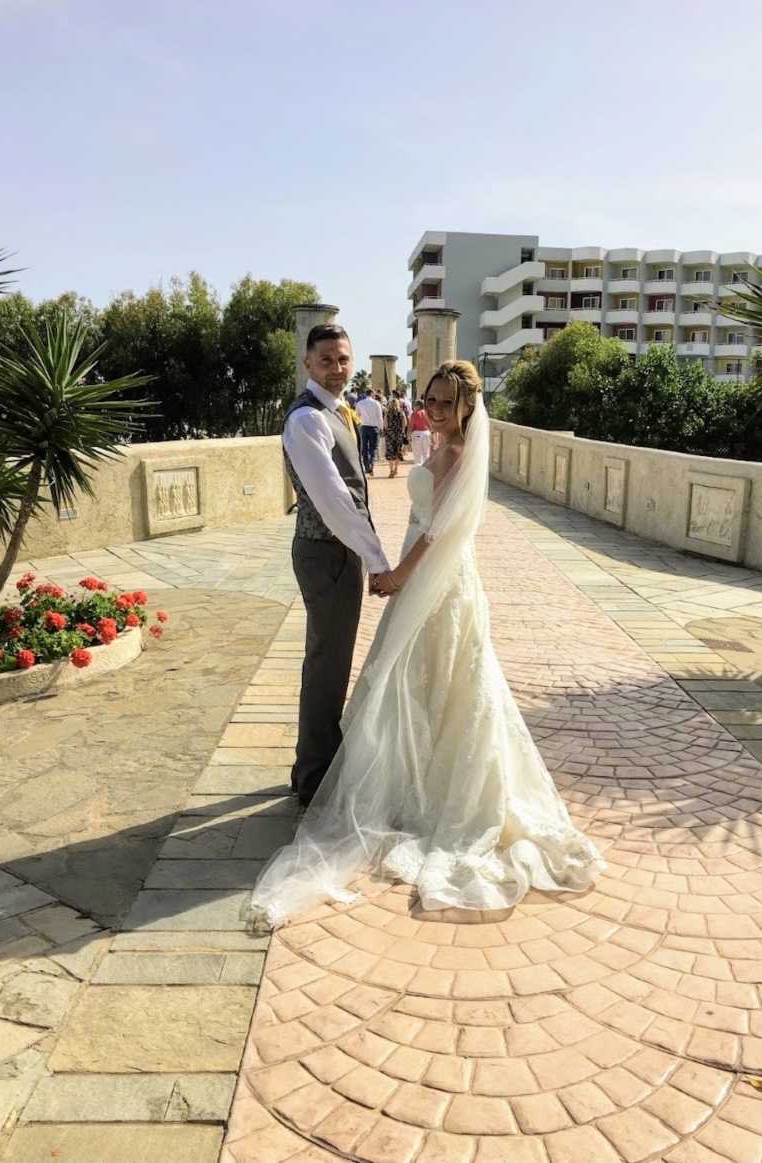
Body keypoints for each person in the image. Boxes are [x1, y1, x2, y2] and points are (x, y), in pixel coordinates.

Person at [248, 360, 604, 928]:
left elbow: (437, 533)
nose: (433, 410)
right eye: (429, 400)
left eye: (444, 403)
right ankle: (419, 776)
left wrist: (396, 577)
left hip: (436, 578)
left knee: (440, 674)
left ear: (467, 406)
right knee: (423, 676)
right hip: (436, 574)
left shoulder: (459, 454)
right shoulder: (445, 447)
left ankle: (439, 789)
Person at [279, 323, 390, 809]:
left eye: (343, 358)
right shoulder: (308, 420)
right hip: (327, 553)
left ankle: (311, 761)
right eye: (326, 359)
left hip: (336, 552)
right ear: (307, 363)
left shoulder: (335, 411)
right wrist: (378, 561)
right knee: (327, 663)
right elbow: (335, 501)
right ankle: (314, 775)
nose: (337, 367)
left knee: (329, 660)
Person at [355, 389, 383, 475]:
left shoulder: (360, 403)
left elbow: (357, 415)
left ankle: (367, 466)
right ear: (372, 394)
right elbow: (379, 417)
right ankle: (371, 464)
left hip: (364, 427)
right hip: (374, 427)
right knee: (373, 448)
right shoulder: (376, 403)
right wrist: (381, 428)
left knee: (365, 448)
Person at [384, 395, 407, 478]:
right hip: (399, 434)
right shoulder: (401, 412)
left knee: (390, 452)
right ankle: (396, 469)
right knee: (398, 452)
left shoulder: (387, 412)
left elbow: (385, 424)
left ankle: (391, 470)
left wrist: (388, 430)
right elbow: (405, 423)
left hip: (390, 434)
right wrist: (403, 432)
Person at [409, 398, 431, 464]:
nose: (414, 407)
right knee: (426, 454)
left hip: (417, 434)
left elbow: (411, 426)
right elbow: (430, 425)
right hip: (427, 433)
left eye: (415, 405)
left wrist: (408, 436)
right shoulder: (427, 413)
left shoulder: (415, 414)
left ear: (418, 406)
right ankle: (426, 470)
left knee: (417, 456)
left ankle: (419, 472)